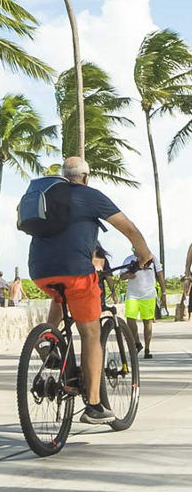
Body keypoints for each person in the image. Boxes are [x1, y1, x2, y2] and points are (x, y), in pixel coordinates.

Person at [29, 156, 155, 423]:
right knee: (91, 332)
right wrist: (144, 256)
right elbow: (129, 229)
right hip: (75, 271)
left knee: (60, 294)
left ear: (65, 175)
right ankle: (95, 405)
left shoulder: (49, 196)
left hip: (39, 271)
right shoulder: (90, 195)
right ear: (85, 177)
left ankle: (48, 340)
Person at [121, 253, 166, 359]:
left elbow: (160, 275)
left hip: (148, 295)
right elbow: (121, 276)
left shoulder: (153, 259)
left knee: (148, 322)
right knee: (130, 319)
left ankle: (147, 349)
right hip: (132, 295)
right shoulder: (128, 259)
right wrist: (128, 275)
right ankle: (137, 343)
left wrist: (164, 293)